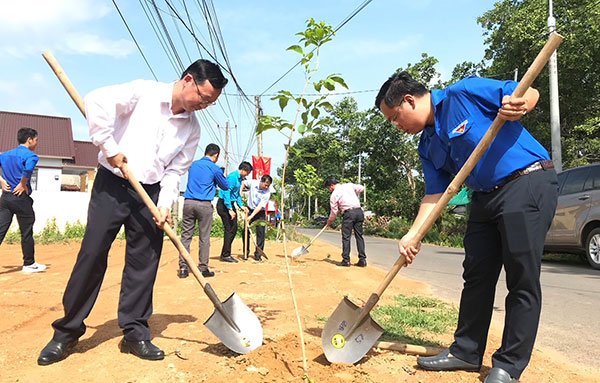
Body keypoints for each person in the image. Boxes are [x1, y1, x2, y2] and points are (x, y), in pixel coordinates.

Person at [37, 59, 228, 365]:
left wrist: (165, 204)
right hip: (112, 185)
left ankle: (135, 331)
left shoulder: (192, 128)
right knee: (92, 253)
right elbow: (96, 101)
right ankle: (66, 332)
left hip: (150, 193)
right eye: (203, 98)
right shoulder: (144, 93)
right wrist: (110, 147)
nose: (204, 105)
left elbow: (175, 171)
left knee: (144, 263)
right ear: (188, 80)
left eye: (210, 103)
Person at [375, 71, 558, 383]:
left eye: (394, 117)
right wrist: (413, 233)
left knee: (521, 276)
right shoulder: (427, 144)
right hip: (484, 197)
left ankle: (508, 366)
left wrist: (520, 104)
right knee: (476, 275)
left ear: (408, 100)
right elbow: (434, 195)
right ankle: (466, 352)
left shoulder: (464, 92)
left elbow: (527, 92)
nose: (396, 126)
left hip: (526, 180)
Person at [177, 143, 229, 279]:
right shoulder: (215, 168)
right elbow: (225, 186)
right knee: (204, 237)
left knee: (185, 236)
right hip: (204, 204)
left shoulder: (193, 164)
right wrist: (220, 175)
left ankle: (183, 267)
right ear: (216, 155)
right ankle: (203, 268)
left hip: (188, 202)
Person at [0, 128, 46, 273]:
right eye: (36, 140)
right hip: (20, 198)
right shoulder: (31, 156)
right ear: (29, 140)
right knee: (26, 231)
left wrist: (1, 180)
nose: (37, 143)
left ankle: (29, 263)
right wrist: (22, 184)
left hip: (5, 197)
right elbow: (28, 170)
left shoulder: (5, 155)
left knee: (0, 230)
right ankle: (29, 263)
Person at [324, 177, 367, 267]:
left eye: (329, 188)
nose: (329, 190)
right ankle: (362, 260)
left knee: (346, 237)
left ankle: (346, 260)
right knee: (359, 236)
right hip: (359, 212)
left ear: (332, 185)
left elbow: (334, 212)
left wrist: (329, 221)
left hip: (349, 214)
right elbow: (362, 188)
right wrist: (353, 193)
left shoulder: (334, 195)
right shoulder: (349, 185)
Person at [216, 161, 253, 263]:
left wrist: (241, 206)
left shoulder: (240, 179)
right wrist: (229, 209)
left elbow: (237, 195)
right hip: (224, 204)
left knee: (233, 228)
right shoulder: (232, 177)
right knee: (230, 228)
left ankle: (225, 253)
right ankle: (225, 255)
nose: (248, 175)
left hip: (230, 204)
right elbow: (226, 191)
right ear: (243, 170)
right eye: (248, 172)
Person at [241, 174, 272, 261]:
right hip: (249, 209)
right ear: (261, 182)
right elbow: (243, 183)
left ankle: (258, 255)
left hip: (259, 212)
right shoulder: (253, 183)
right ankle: (245, 252)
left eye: (268, 186)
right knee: (245, 231)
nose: (266, 187)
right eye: (265, 185)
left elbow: (259, 207)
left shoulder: (267, 193)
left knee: (261, 233)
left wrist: (251, 217)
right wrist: (240, 194)